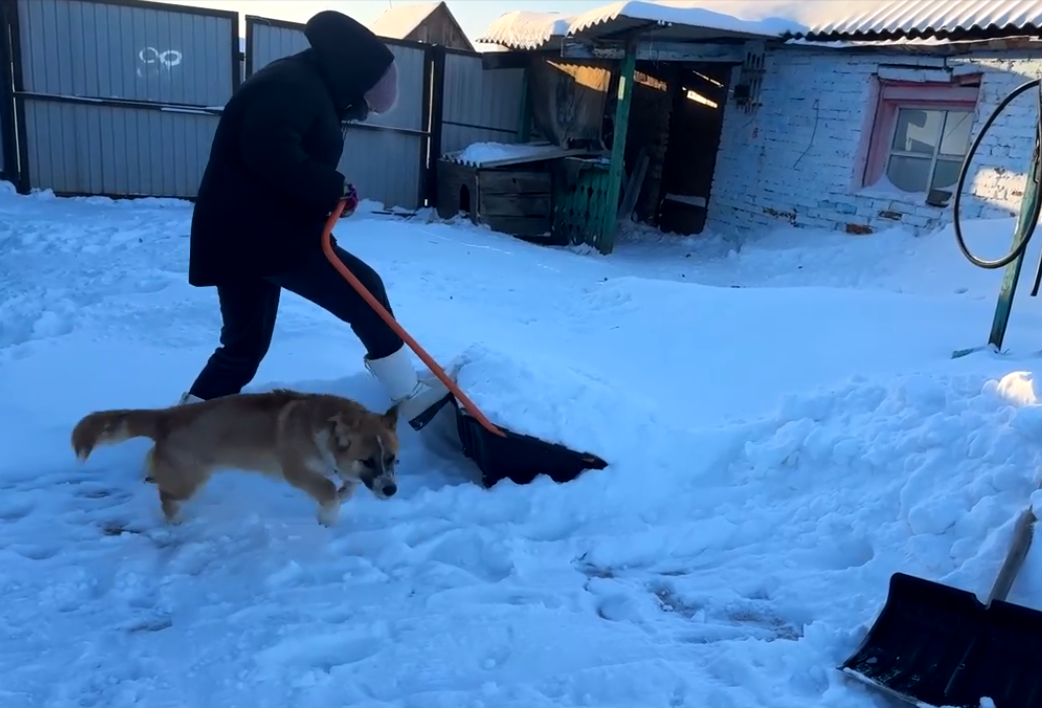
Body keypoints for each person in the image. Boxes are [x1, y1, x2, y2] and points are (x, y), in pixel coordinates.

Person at [179, 10, 452, 431]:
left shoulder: (302, 82)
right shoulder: (292, 86)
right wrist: (332, 186)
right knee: (365, 292)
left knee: (244, 347)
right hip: (270, 236)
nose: (358, 115)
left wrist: (331, 192)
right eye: (363, 107)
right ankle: (409, 394)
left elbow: (283, 160)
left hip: (239, 236)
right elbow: (269, 153)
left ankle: (182, 434)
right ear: (354, 81)